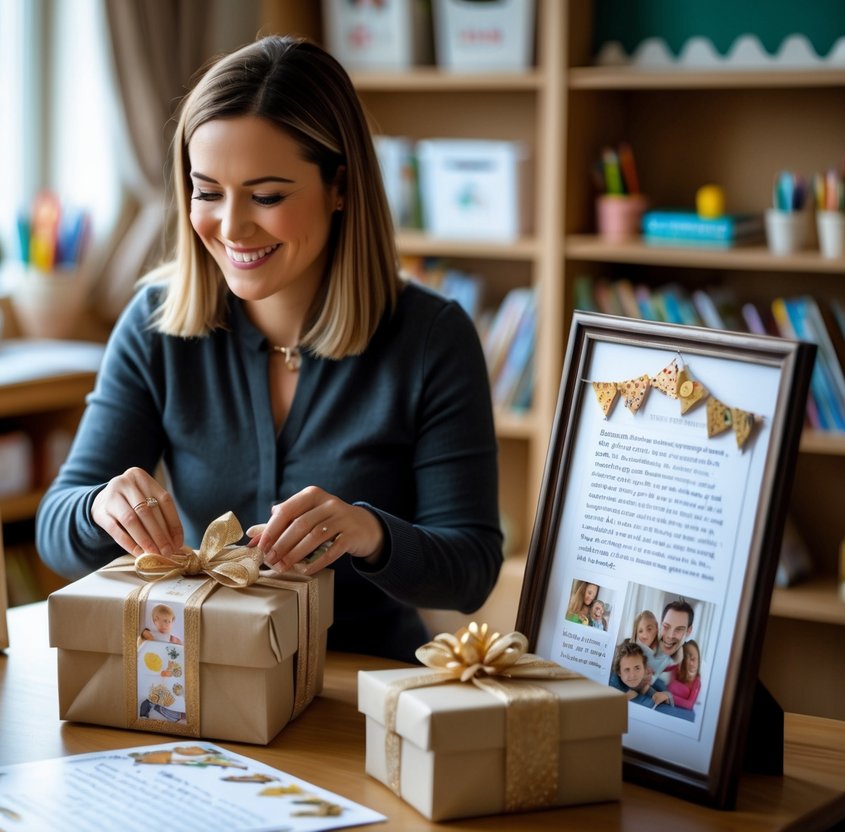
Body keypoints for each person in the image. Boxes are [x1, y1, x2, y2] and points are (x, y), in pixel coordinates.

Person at [35, 36, 502, 663]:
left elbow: (470, 570)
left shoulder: (432, 337)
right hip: (204, 678)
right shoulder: (153, 323)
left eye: (267, 196)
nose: (231, 228)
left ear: (340, 186)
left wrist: (370, 534)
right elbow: (54, 529)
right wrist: (99, 509)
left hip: (363, 688)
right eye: (207, 191)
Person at [610, 640, 672, 708]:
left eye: (637, 668)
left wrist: (662, 695)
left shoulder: (642, 681)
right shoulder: (614, 681)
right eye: (627, 670)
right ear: (619, 672)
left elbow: (648, 691)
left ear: (644, 668)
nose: (632, 675)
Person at [665, 638, 702, 710]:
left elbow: (690, 705)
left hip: (673, 702)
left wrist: (670, 697)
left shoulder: (696, 682)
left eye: (694, 659)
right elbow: (663, 668)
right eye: (687, 658)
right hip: (666, 699)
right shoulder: (676, 669)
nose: (691, 663)